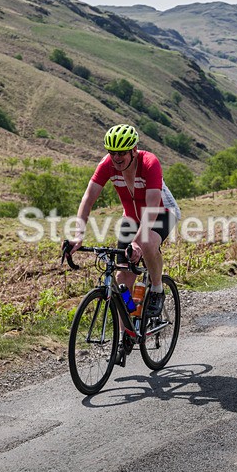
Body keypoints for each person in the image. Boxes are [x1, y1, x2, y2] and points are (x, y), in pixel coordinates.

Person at [68, 124, 176, 363]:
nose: (116, 158)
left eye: (122, 153)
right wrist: (78, 235)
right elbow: (88, 198)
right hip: (132, 219)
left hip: (161, 212)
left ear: (134, 150)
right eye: (112, 152)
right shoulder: (107, 164)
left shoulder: (150, 163)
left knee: (147, 243)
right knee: (122, 283)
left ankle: (157, 289)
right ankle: (126, 332)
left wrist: (137, 243)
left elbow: (151, 211)